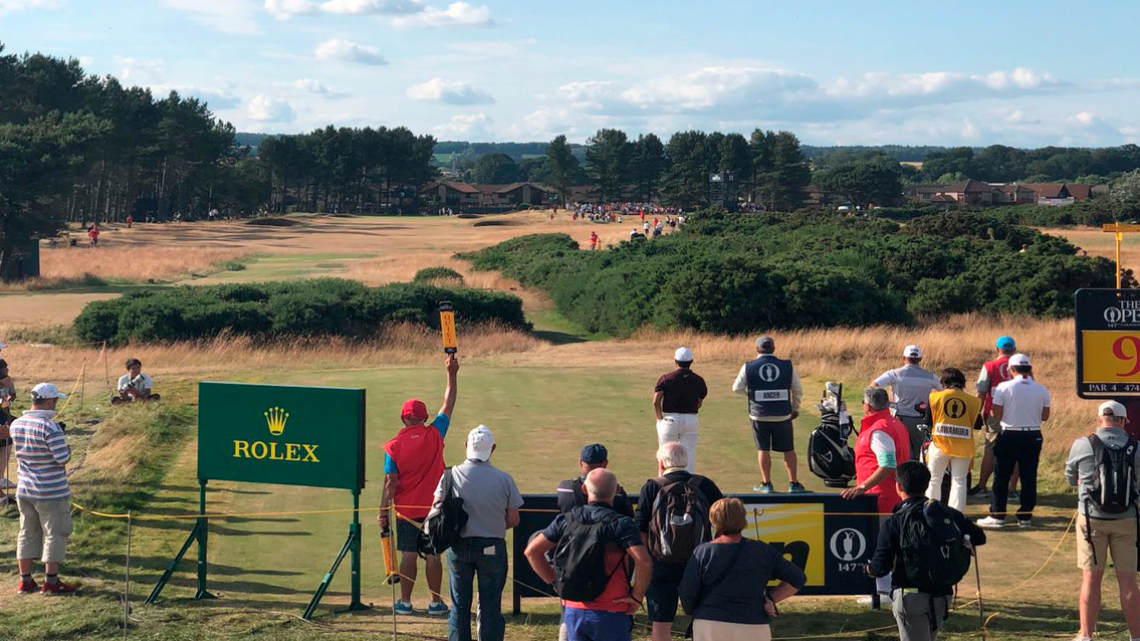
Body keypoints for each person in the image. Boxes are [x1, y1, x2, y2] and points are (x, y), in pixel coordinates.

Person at [525, 468, 653, 641]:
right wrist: (637, 597)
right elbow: (643, 561)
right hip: (612, 609)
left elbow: (532, 551)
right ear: (616, 491)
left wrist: (555, 583)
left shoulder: (566, 519)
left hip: (574, 609)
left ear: (585, 490)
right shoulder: (622, 524)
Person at [868, 461, 986, 641]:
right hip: (942, 596)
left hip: (909, 597)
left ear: (898, 486)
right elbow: (979, 537)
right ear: (927, 484)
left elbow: (880, 567)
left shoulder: (895, 521)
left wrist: (868, 569)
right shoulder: (946, 513)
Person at [379, 354, 459, 616]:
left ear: (403, 419)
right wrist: (452, 373)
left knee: (409, 555)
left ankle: (405, 603)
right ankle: (436, 603)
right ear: (424, 418)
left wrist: (382, 510)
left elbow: (391, 482)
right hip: (434, 508)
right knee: (434, 556)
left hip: (405, 511)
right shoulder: (435, 433)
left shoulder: (393, 446)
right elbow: (448, 404)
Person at [433, 425, 523, 641]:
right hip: (492, 546)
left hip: (459, 546)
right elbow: (513, 520)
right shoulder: (504, 479)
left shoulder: (449, 475)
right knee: (490, 606)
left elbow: (436, 510)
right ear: (492, 449)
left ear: (466, 446)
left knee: (459, 606)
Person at [679, 498, 806, 641]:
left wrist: (694, 612)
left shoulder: (703, 552)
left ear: (713, 520)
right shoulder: (762, 550)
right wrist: (770, 599)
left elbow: (687, 592)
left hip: (710, 622)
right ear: (743, 519)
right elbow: (798, 578)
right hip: (753, 623)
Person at [1066, 401, 1140, 641]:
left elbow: (1070, 477)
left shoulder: (1082, 444)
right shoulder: (1136, 447)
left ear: (1099, 419)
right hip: (1127, 519)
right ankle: (1136, 635)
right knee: (1128, 580)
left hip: (1091, 519)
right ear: (1123, 421)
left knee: (1091, 577)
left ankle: (1086, 634)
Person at [638, 443, 724, 641]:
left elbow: (641, 528)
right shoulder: (704, 485)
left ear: (661, 463)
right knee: (703, 620)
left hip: (660, 565)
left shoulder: (652, 486)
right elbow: (724, 521)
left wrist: (645, 562)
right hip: (698, 563)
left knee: (661, 624)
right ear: (686, 462)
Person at [842, 386, 911, 604]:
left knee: (882, 546)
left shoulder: (879, 429)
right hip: (888, 494)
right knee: (886, 544)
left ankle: (883, 593)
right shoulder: (893, 423)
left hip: (881, 496)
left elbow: (887, 465)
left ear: (867, 405)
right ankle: (884, 590)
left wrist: (861, 488)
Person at [11, 383, 76, 595]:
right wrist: (67, 449)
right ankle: (51, 581)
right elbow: (61, 458)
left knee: (27, 532)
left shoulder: (16, 424)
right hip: (50, 490)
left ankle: (25, 580)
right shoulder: (50, 426)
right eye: (55, 400)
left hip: (24, 488)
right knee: (54, 533)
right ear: (49, 401)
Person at [977, 353, 1050, 529]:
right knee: (1028, 476)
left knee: (1001, 475)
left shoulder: (1004, 387)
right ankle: (1025, 517)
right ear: (1030, 369)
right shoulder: (1041, 389)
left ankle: (998, 515)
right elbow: (1045, 416)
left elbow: (995, 412)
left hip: (1009, 434)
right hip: (1033, 435)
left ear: (1011, 369)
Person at [732, 336, 805, 494]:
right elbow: (797, 389)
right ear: (773, 348)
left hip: (758, 415)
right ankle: (793, 483)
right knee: (788, 449)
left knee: (763, 448)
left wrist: (751, 397)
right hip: (783, 415)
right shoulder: (787, 365)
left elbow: (736, 388)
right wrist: (795, 408)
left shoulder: (748, 366)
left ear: (757, 349)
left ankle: (766, 483)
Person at [924, 368, 982, 512]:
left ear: (943, 382)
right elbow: (978, 424)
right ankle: (957, 516)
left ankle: (931, 512)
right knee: (959, 481)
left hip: (939, 444)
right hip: (963, 447)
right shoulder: (973, 401)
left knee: (934, 479)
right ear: (963, 383)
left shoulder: (934, 397)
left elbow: (928, 421)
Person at [872, 345, 942, 462]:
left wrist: (887, 404)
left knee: (902, 455)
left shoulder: (894, 374)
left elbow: (874, 386)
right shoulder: (930, 377)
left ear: (903, 358)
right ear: (920, 359)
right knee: (921, 456)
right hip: (921, 420)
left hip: (899, 419)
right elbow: (946, 391)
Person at [971, 336, 1018, 498]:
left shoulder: (989, 366)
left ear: (997, 350)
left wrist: (976, 412)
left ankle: (982, 486)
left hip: (993, 413)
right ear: (1014, 350)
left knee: (990, 449)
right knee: (1015, 450)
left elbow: (981, 392)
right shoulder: (1021, 366)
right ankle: (1011, 489)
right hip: (1017, 413)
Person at [654, 347, 708, 473]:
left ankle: (663, 486)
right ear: (691, 361)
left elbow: (656, 401)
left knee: (665, 454)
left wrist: (659, 418)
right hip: (691, 420)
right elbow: (699, 402)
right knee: (689, 455)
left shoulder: (666, 378)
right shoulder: (699, 380)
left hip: (669, 419)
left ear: (675, 361)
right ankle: (688, 488)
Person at [557, 444, 633, 518]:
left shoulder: (564, 488)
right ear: (605, 464)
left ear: (581, 463)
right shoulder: (616, 491)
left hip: (569, 530)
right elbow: (628, 516)